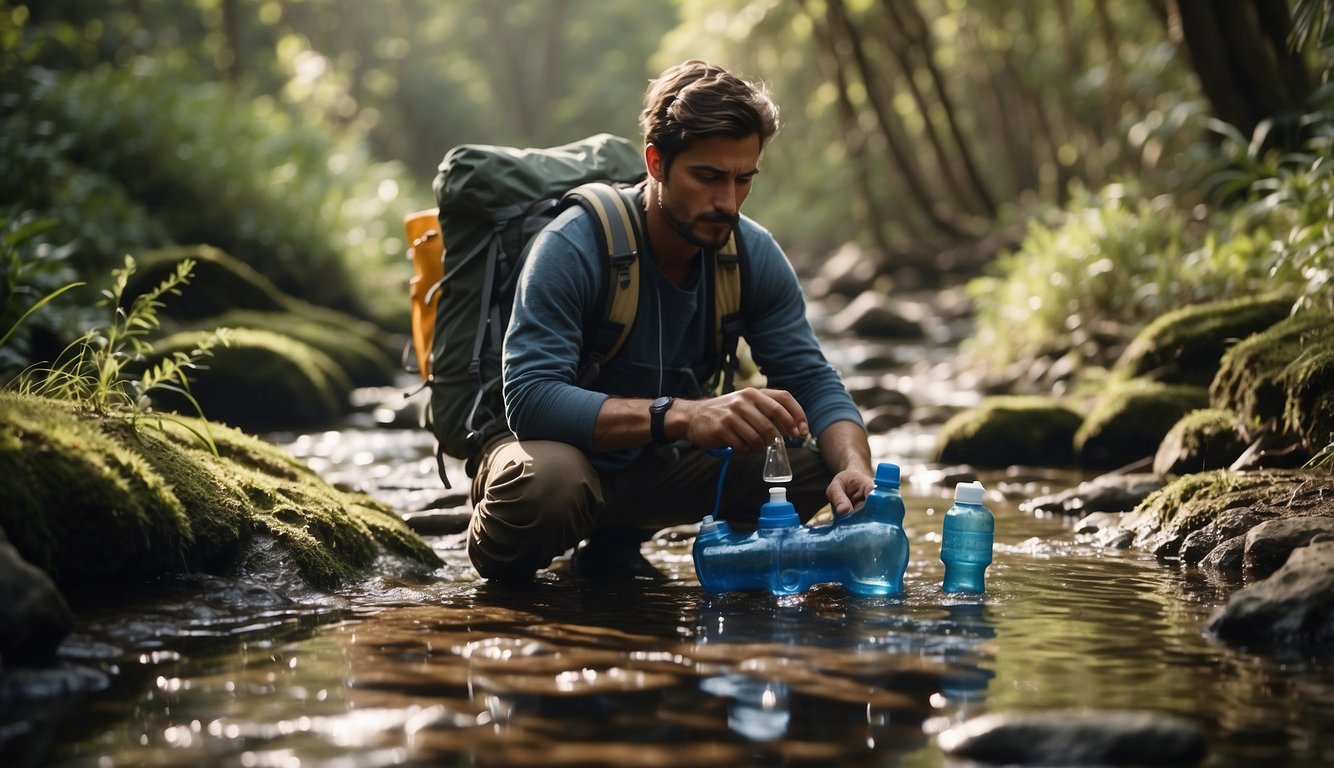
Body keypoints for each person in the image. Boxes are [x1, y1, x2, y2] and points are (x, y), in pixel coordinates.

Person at [467, 59, 875, 580]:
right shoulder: (572, 244)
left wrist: (856, 466)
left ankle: (617, 542)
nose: (727, 202)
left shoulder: (751, 254)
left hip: (656, 468)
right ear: (656, 163)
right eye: (707, 177)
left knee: (816, 465)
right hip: (553, 461)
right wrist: (682, 415)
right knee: (550, 485)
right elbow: (530, 399)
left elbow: (813, 380)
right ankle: (505, 574)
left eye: (742, 179)